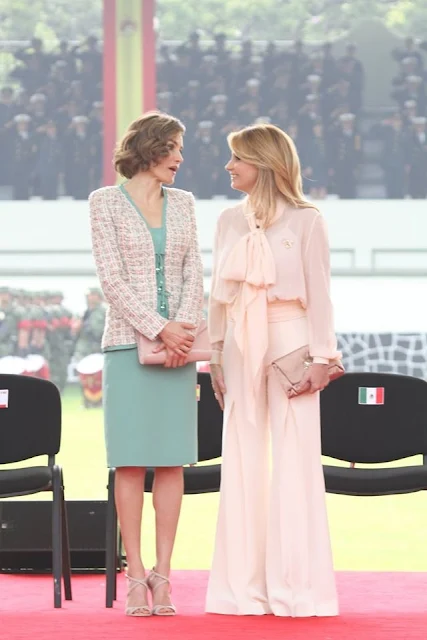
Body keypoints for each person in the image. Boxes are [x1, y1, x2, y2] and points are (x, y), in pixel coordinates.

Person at [206, 123, 340, 617]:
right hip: (241, 344)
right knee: (240, 459)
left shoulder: (307, 220)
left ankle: (296, 590)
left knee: (295, 461)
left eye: (236, 158)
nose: (228, 167)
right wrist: (215, 355)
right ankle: (242, 590)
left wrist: (324, 358)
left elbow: (320, 294)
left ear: (263, 163)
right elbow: (219, 296)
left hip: (291, 342)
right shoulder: (226, 221)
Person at [88, 111, 204, 617]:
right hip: (125, 347)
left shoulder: (184, 204)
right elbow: (111, 280)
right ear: (151, 148)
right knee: (130, 461)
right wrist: (160, 328)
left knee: (172, 461)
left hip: (179, 348)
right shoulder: (103, 204)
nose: (180, 158)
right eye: (174, 147)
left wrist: (181, 330)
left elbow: (194, 271)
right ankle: (134, 575)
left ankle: (164, 576)